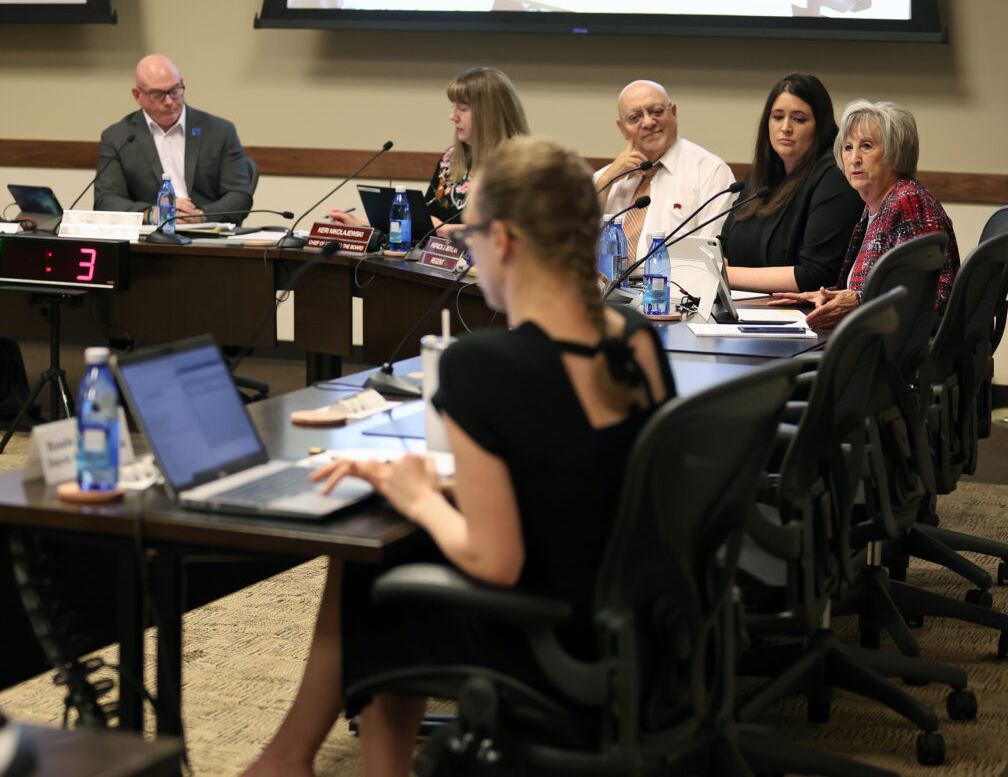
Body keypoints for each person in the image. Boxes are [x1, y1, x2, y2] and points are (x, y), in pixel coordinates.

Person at [243, 136, 671, 777]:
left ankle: (302, 761)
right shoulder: (635, 338)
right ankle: (297, 760)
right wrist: (437, 479)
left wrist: (416, 495)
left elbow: (495, 562)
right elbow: (577, 461)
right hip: (641, 621)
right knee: (393, 544)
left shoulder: (484, 364)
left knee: (379, 564)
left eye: (470, 240)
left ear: (502, 241)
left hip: (552, 636)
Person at [771, 100, 960, 329]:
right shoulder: (875, 206)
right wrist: (831, 295)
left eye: (867, 146)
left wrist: (856, 301)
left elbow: (929, 299)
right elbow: (875, 288)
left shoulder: (909, 202)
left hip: (899, 357)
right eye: (848, 147)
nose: (854, 158)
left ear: (896, 151)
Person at [328, 66, 529, 239]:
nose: (452, 116)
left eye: (463, 108)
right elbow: (423, 224)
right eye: (453, 107)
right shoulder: (450, 160)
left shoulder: (521, 166)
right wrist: (360, 224)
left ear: (490, 113)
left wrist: (444, 229)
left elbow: (511, 234)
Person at [719, 73, 864, 293]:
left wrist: (724, 275)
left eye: (799, 119)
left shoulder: (836, 178)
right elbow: (725, 247)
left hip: (802, 318)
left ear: (820, 126)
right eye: (778, 117)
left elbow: (816, 275)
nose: (785, 127)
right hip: (744, 308)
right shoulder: (758, 179)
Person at [94, 54, 253, 225]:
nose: (169, 101)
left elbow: (240, 195)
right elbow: (106, 200)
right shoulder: (118, 137)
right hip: (149, 241)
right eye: (157, 94)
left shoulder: (219, 131)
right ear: (137, 95)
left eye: (175, 91)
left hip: (206, 236)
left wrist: (200, 215)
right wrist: (153, 213)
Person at [594, 80, 735, 262]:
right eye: (635, 117)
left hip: (673, 287)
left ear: (674, 113)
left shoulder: (710, 172)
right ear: (622, 128)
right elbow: (575, 242)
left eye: (656, 112)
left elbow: (709, 257)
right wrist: (608, 178)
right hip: (602, 287)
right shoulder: (606, 178)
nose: (648, 122)